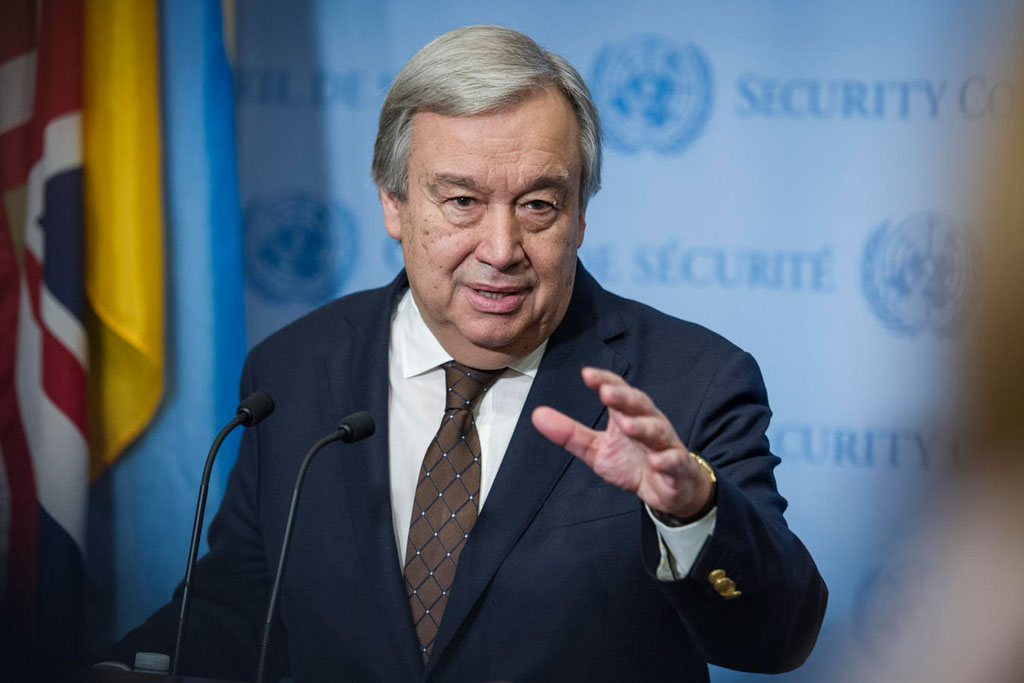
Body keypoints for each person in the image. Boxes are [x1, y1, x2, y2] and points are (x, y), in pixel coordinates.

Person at [106, 25, 826, 681]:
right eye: (462, 202)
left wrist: (691, 512)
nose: (502, 248)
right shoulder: (293, 371)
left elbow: (774, 637)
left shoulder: (690, 381)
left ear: (580, 213)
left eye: (539, 204)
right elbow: (240, 611)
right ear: (394, 203)